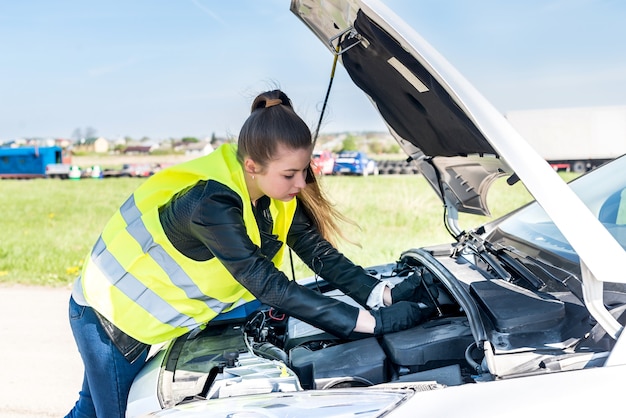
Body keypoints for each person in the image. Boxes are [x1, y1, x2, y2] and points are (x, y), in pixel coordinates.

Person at [65, 89, 430, 418]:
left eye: (303, 171)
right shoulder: (211, 203)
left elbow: (319, 254)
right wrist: (369, 324)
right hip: (110, 317)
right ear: (252, 166)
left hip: (146, 313)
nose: (301, 184)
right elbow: (269, 285)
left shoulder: (275, 192)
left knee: (88, 410)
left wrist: (380, 294)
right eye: (290, 174)